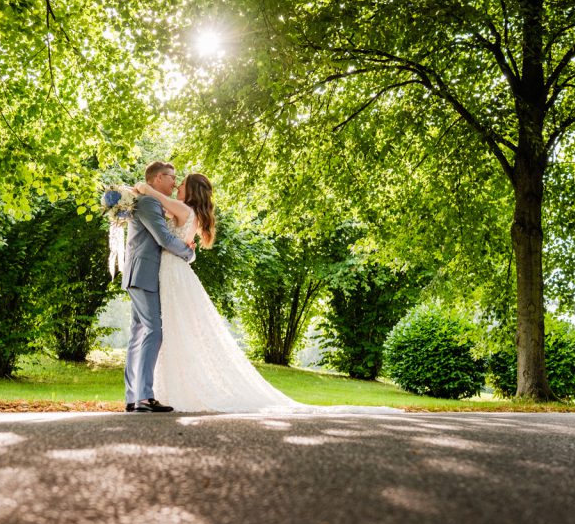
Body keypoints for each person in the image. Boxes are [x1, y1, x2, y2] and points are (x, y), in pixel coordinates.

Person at [133, 173, 400, 415]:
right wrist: (188, 251)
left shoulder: (183, 208)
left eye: (182, 184)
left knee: (168, 327)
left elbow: (157, 201)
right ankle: (157, 391)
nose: (177, 187)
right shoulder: (195, 214)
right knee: (173, 327)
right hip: (175, 271)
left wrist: (144, 188)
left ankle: (156, 391)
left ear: (191, 191)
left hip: (170, 271)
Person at [122, 162, 196, 413]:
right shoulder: (149, 203)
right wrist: (188, 253)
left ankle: (134, 397)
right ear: (157, 178)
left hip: (138, 273)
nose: (174, 183)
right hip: (144, 274)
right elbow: (163, 238)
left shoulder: (148, 202)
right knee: (154, 331)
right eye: (172, 178)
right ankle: (144, 396)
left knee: (138, 333)